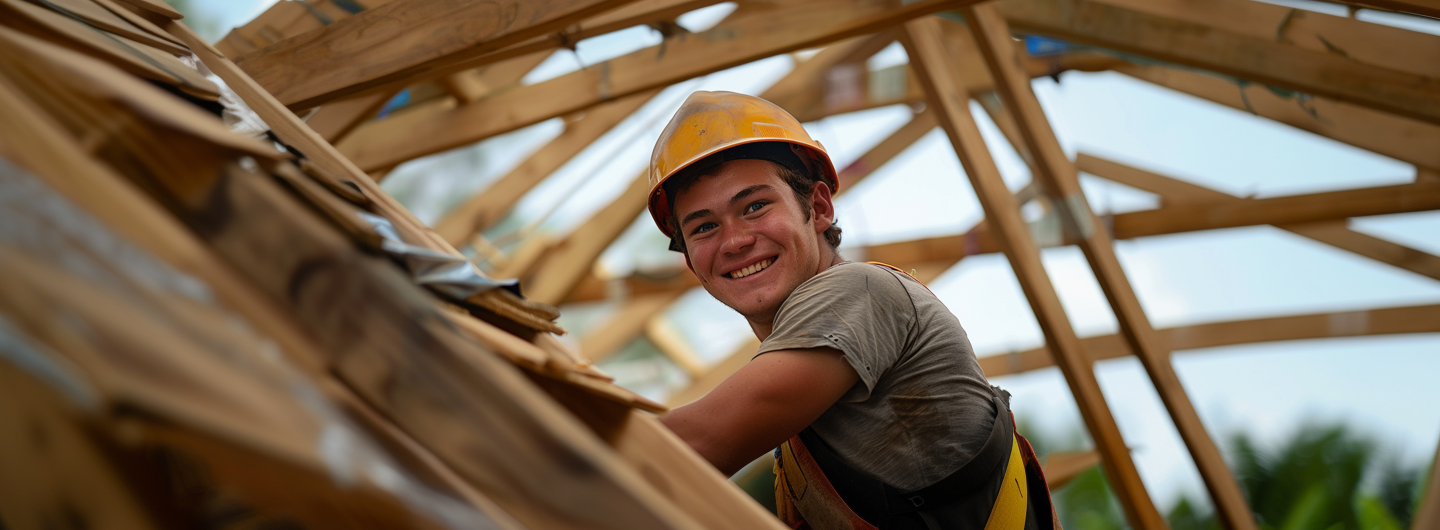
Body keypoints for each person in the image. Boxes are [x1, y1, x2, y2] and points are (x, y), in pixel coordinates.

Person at [651, 91, 1058, 530]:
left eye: (755, 207)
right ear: (692, 262)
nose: (734, 241)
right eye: (705, 227)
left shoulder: (859, 291)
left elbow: (693, 444)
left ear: (819, 207)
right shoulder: (801, 402)